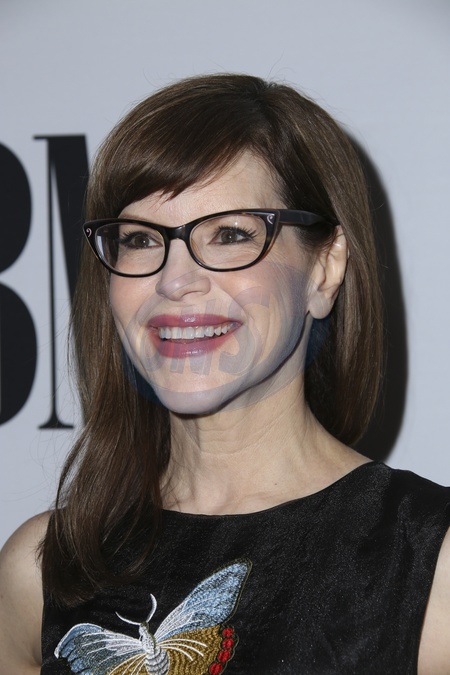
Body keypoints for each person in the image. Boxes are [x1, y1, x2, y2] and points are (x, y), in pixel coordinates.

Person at [0, 73, 449, 675]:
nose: (174, 281)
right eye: (140, 239)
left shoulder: (430, 564)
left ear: (325, 269)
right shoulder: (40, 570)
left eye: (231, 234)